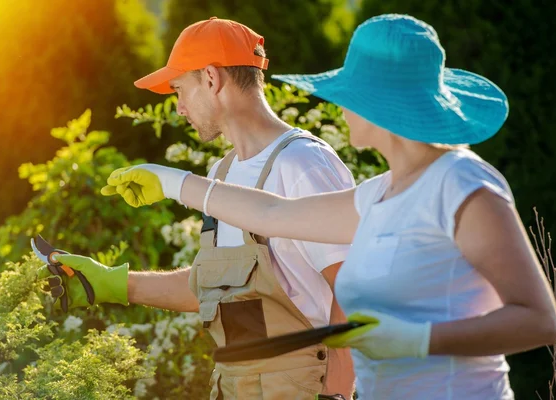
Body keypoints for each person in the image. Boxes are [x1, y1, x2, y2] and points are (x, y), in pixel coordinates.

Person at [96, 13, 556, 400]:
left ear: (379, 104)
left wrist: (420, 340)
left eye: (347, 96)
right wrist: (173, 182)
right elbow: (273, 215)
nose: (338, 108)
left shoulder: (461, 182)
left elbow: (540, 320)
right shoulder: (379, 194)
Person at [38, 17, 356, 400]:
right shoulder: (221, 173)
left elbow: (355, 287)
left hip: (302, 385)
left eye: (178, 90)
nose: (178, 108)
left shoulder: (301, 164)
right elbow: (221, 288)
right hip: (237, 384)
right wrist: (113, 283)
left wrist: (337, 392)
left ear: (210, 78)